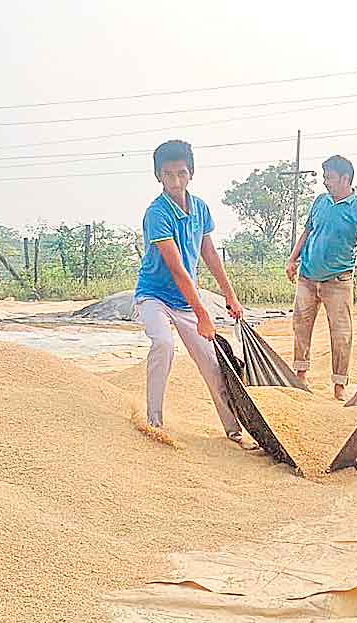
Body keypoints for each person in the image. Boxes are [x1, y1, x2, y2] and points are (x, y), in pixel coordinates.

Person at [134, 139, 249, 445]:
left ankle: (233, 429)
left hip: (185, 301)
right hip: (154, 295)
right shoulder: (157, 213)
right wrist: (203, 315)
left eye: (181, 173)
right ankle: (154, 421)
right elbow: (177, 269)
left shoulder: (200, 208)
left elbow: (209, 254)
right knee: (163, 344)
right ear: (158, 175)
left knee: (213, 366)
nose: (175, 181)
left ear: (191, 173)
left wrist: (230, 296)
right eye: (168, 175)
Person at [285, 155, 357, 401]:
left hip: (338, 281)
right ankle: (301, 374)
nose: (325, 181)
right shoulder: (320, 202)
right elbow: (307, 232)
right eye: (324, 177)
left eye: (329, 177)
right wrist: (292, 259)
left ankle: (340, 384)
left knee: (341, 334)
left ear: (345, 179)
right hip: (308, 276)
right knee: (301, 325)